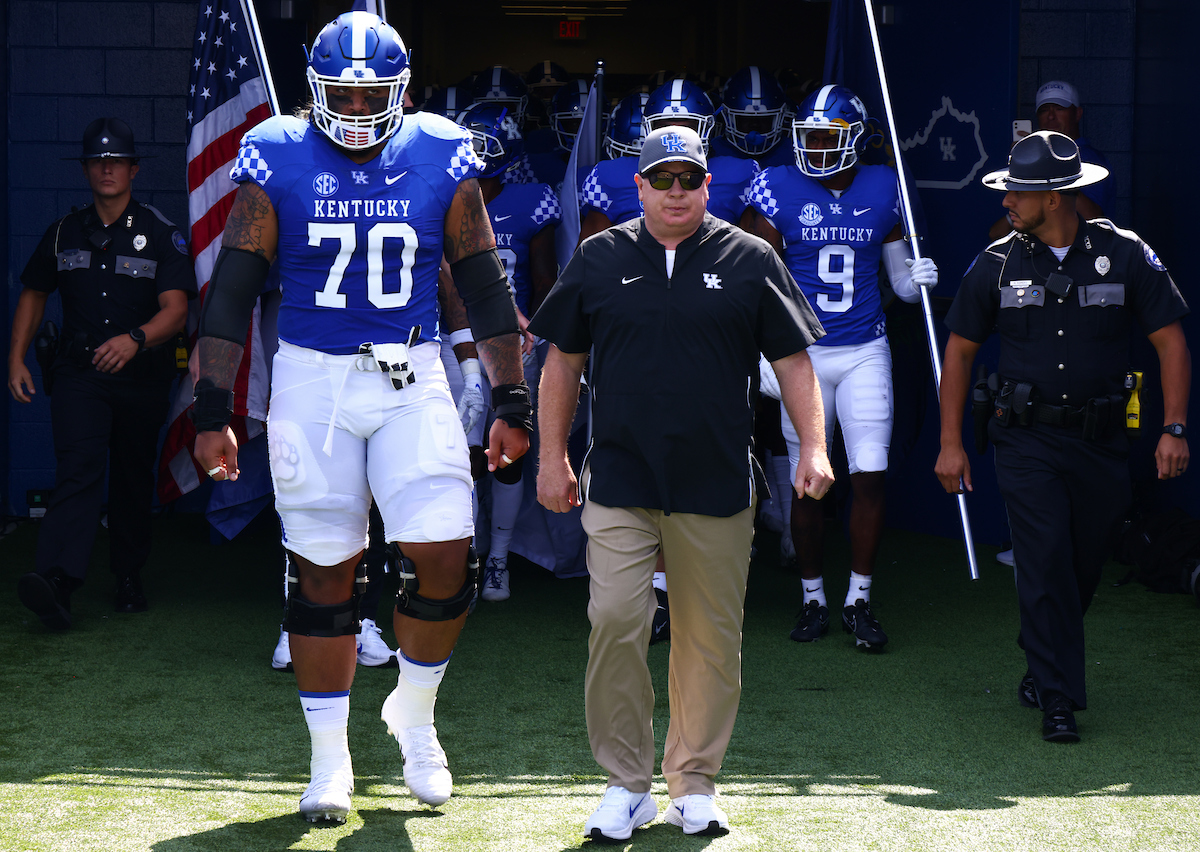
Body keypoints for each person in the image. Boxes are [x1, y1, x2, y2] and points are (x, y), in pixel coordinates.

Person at [190, 11, 530, 822]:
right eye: (340, 91)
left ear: (401, 90)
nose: (353, 106)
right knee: (322, 576)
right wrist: (213, 407)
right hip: (313, 383)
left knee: (446, 554)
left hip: (412, 376)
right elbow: (232, 292)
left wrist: (511, 397)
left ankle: (413, 716)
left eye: (370, 91)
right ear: (315, 89)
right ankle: (329, 759)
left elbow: (483, 283)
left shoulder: (442, 149)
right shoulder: (276, 152)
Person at [532, 126, 833, 840]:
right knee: (614, 621)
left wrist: (814, 447)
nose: (676, 192)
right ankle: (625, 784)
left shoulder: (751, 257)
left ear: (706, 186)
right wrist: (551, 456)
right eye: (661, 179)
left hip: (718, 481)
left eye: (688, 180)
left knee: (709, 640)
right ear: (637, 186)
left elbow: (793, 362)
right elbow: (562, 364)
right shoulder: (599, 256)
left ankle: (693, 783)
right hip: (621, 477)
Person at [935, 130, 1190, 742]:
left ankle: (1042, 651)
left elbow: (1170, 343)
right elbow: (960, 353)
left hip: (1101, 440)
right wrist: (951, 443)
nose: (1006, 201)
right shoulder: (996, 262)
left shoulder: (1125, 253)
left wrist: (1173, 428)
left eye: (1016, 191)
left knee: (1082, 561)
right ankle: (1057, 699)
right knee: (1044, 557)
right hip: (1024, 440)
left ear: (1053, 196)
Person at [748, 84, 939, 649]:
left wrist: (916, 278)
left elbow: (901, 284)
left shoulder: (884, 187)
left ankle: (859, 599)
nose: (818, 148)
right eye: (810, 137)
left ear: (855, 139)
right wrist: (762, 348)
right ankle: (812, 600)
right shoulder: (777, 186)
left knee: (870, 475)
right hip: (801, 356)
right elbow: (753, 278)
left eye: (829, 137)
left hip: (863, 350)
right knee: (809, 485)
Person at [10, 117, 193, 629]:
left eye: (116, 161)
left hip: (142, 377)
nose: (107, 168)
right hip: (80, 374)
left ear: (133, 169)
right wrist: (15, 357)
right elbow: (33, 292)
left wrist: (135, 340)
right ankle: (57, 582)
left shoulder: (159, 233)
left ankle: (128, 575)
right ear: (87, 169)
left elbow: (176, 310)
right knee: (79, 469)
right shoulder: (64, 231)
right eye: (98, 161)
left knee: (133, 478)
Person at [454, 102, 561, 601]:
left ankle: (498, 556)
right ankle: (468, 554)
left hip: (514, 341)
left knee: (510, 448)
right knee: (465, 452)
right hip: (458, 340)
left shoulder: (531, 200)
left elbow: (543, 278)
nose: (475, 154)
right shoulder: (446, 195)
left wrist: (536, 331)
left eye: (484, 144)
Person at [988, 80, 1115, 241]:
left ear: (1077, 114)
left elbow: (1093, 218)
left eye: (1059, 108)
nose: (1051, 116)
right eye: (1044, 110)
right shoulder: (1033, 161)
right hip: (1040, 255)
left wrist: (1059, 179)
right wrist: (1025, 161)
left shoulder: (1091, 160)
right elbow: (996, 233)